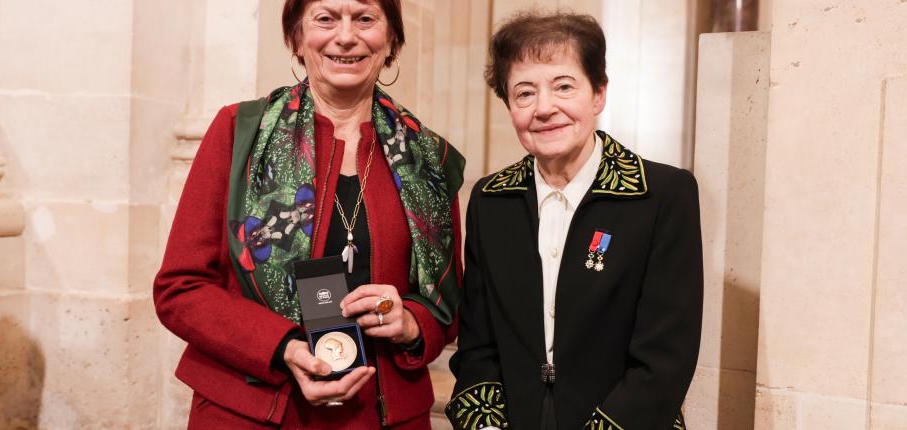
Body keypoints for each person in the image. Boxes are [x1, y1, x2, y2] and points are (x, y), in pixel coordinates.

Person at [153, 0, 465, 428]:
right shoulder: (238, 132)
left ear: (391, 39)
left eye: (366, 19)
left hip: (379, 413)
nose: (346, 36)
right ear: (296, 37)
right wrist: (283, 346)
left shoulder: (428, 159)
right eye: (325, 18)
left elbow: (446, 303)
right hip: (255, 408)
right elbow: (181, 288)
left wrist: (410, 321)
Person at [447, 10, 702, 430]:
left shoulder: (662, 195)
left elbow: (665, 360)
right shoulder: (491, 200)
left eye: (564, 86)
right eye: (524, 93)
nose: (544, 108)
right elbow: (478, 345)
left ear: (598, 94)